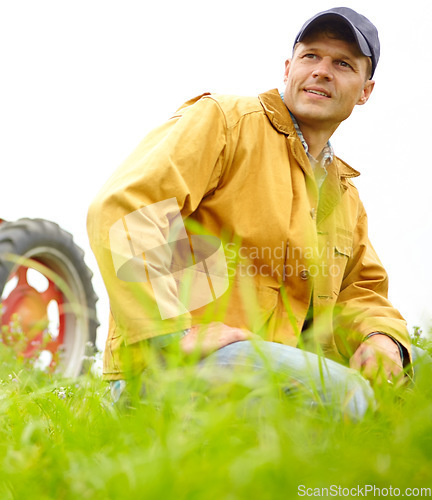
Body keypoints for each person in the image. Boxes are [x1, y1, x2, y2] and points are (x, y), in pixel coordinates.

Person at [87, 7, 412, 417]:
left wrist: (383, 339)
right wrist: (173, 333)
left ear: (365, 90)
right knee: (345, 394)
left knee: (417, 379)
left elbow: (359, 292)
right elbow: (126, 208)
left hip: (271, 364)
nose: (322, 71)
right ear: (288, 67)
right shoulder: (225, 122)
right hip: (168, 369)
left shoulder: (342, 194)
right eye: (311, 56)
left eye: (343, 63)